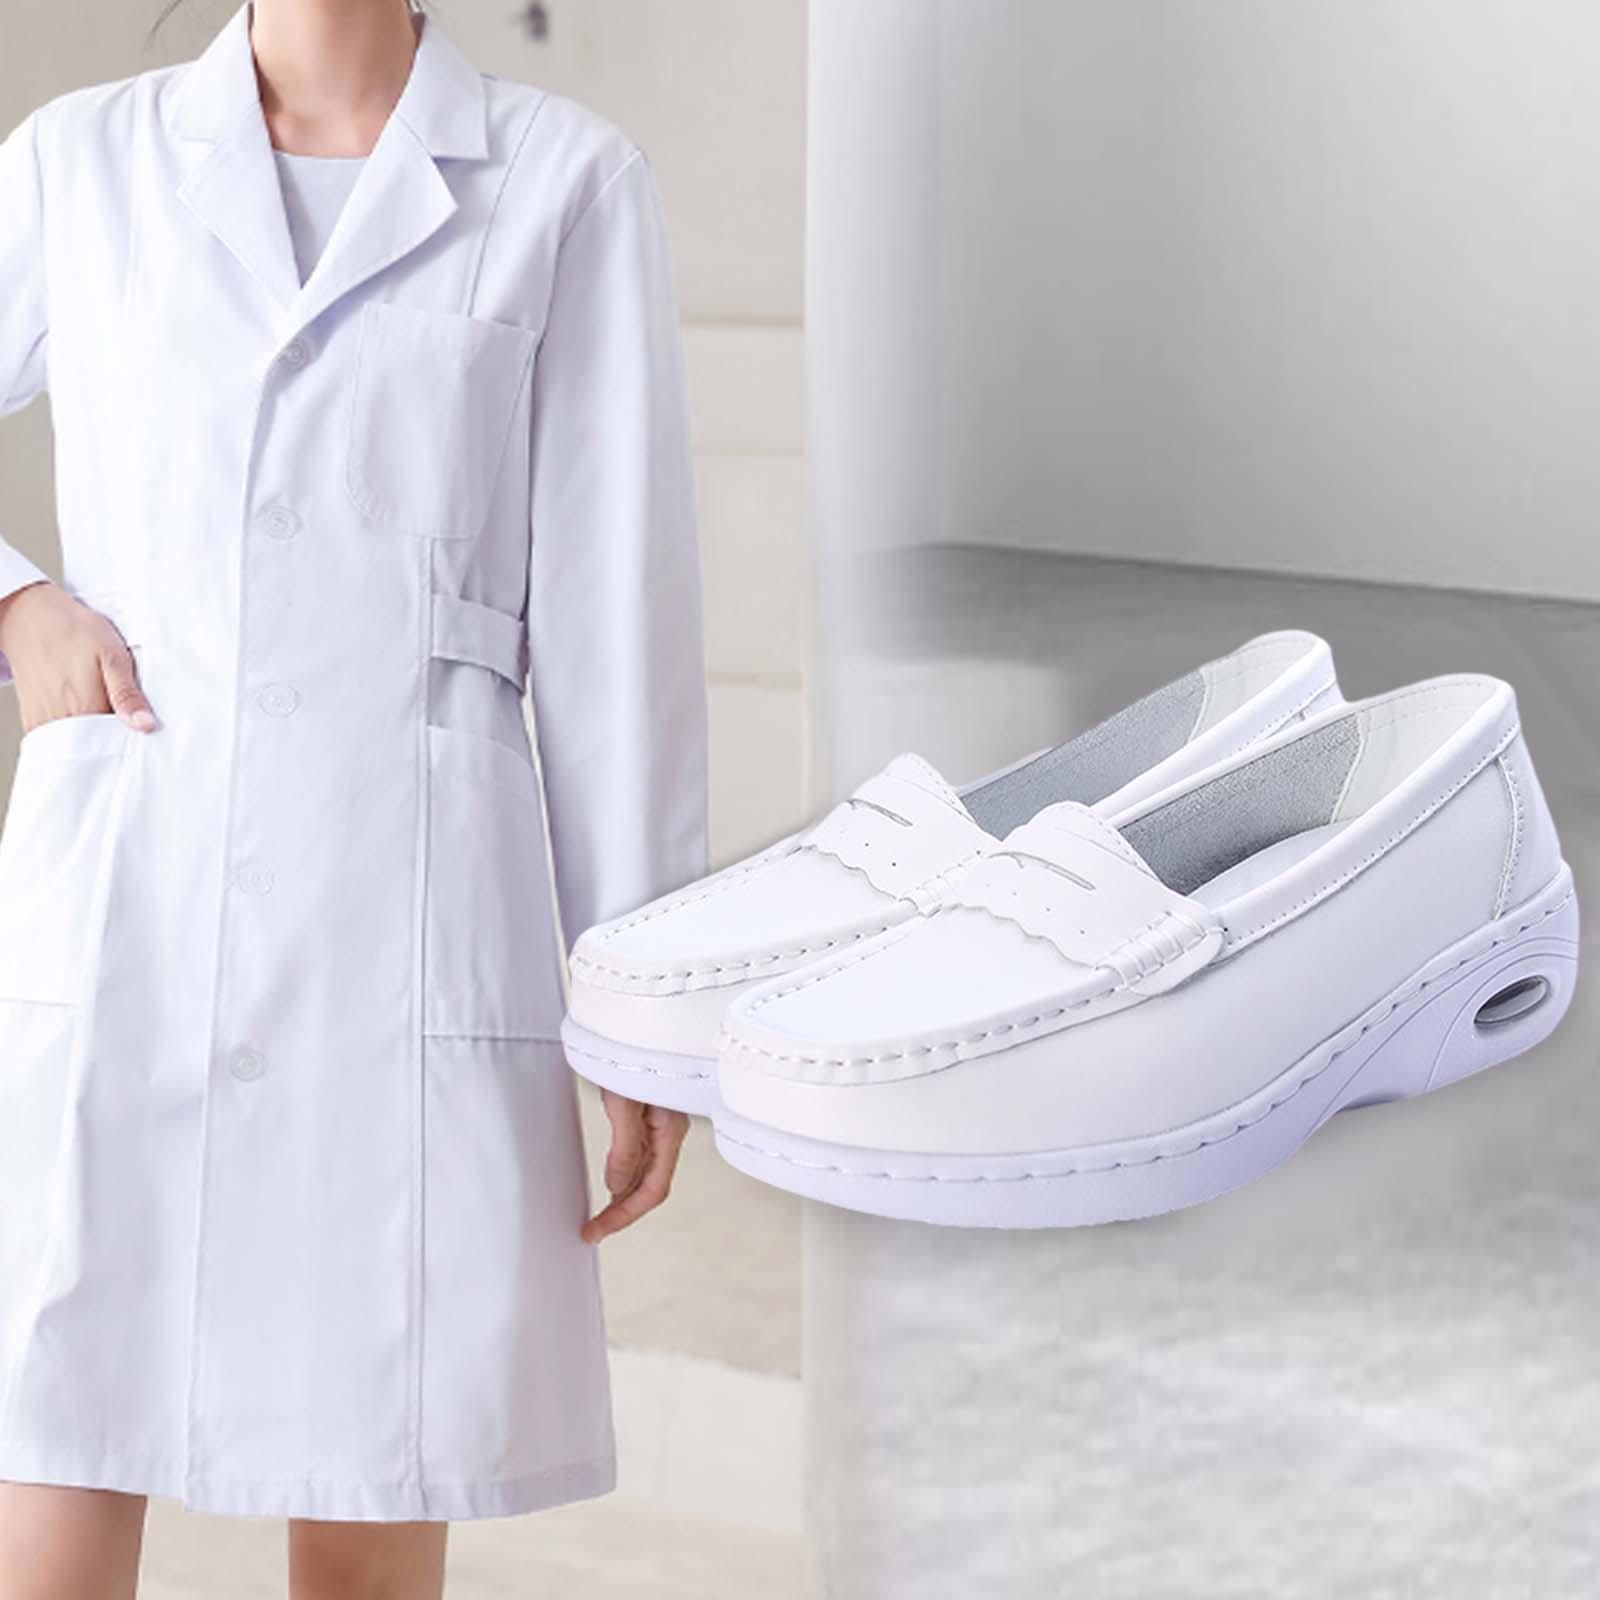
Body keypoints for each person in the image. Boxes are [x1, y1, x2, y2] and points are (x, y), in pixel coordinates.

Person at [0, 0, 708, 1593]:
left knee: (375, 1461)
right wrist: (18, 604)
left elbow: (614, 619)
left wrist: (646, 995)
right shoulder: (78, 164)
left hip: (406, 913)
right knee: (57, 1440)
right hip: (134, 885)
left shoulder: (564, 180)